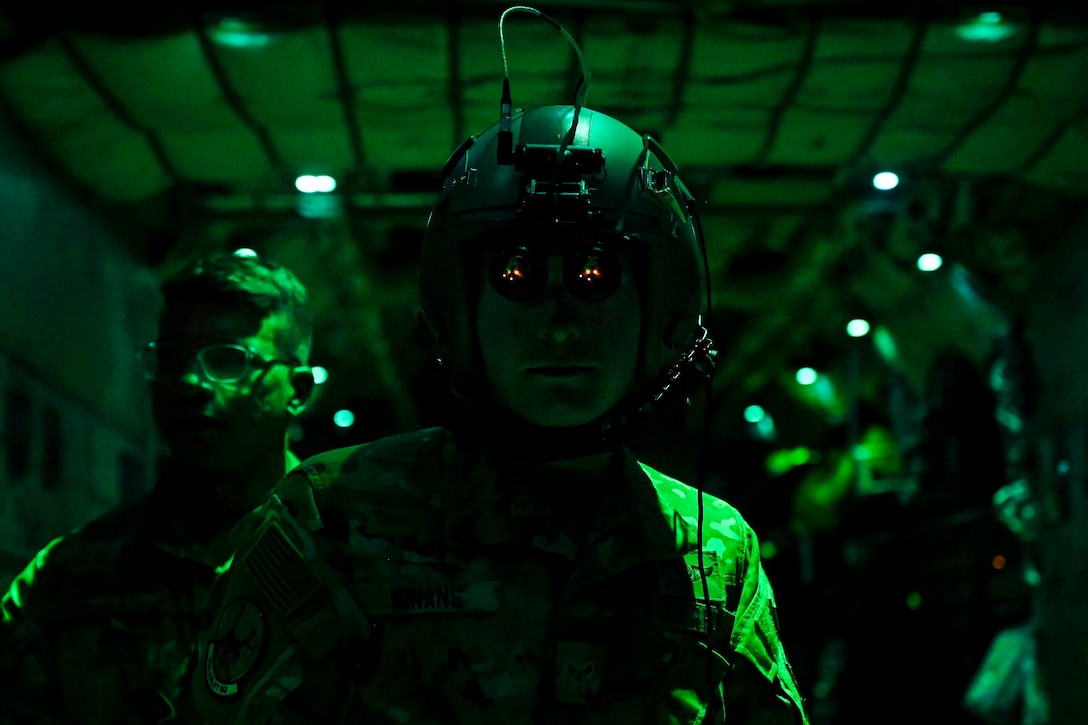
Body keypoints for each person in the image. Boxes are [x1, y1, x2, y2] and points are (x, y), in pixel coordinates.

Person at [194, 18, 810, 719]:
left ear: (659, 315)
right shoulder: (333, 516)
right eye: (516, 274)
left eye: (596, 274)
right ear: (460, 312)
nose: (559, 320)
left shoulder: (714, 552)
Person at [0, 250, 316, 723]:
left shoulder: (353, 556)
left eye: (228, 360)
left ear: (298, 390)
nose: (189, 382)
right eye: (171, 358)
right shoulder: (65, 578)